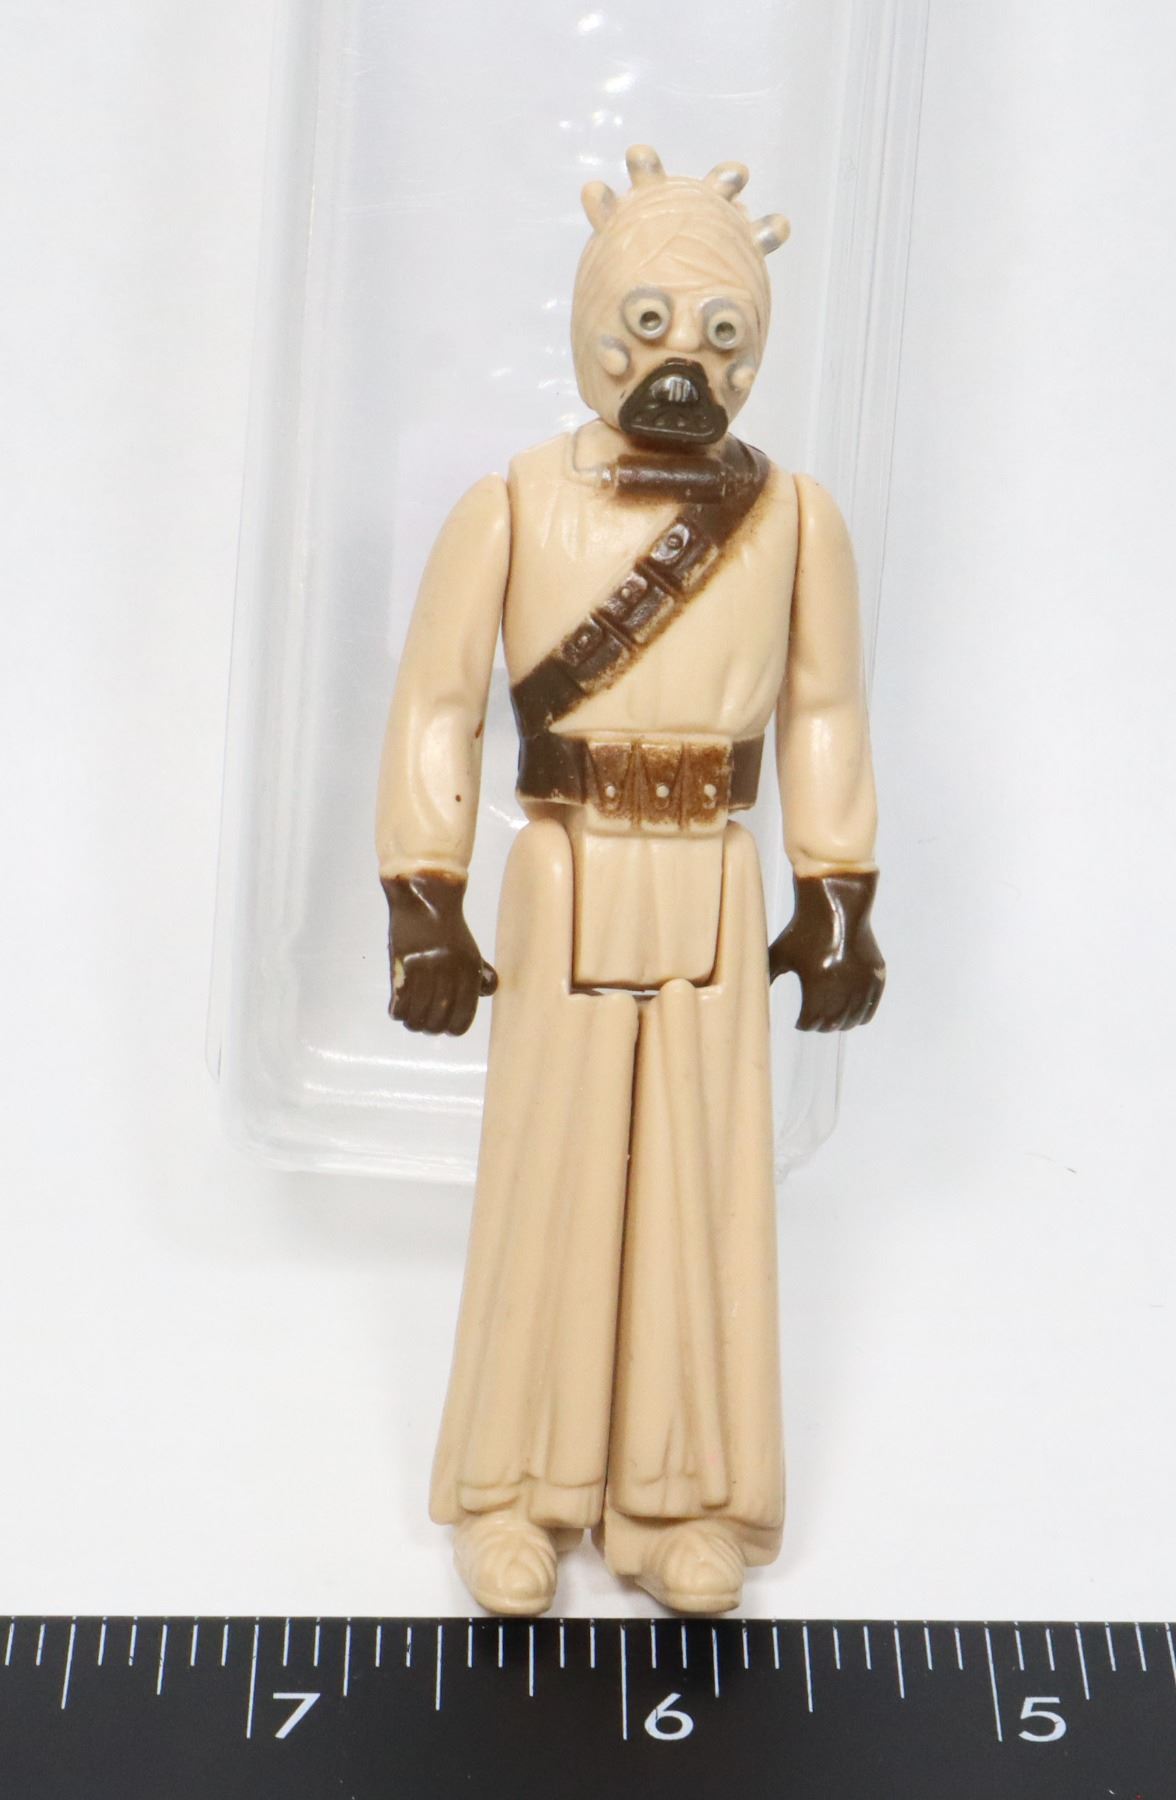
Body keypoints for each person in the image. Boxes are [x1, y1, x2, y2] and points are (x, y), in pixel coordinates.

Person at [376, 145, 884, 1615]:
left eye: (722, 335)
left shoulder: (795, 520)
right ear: (594, 319)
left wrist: (837, 889)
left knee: (702, 1186)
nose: (683, 363)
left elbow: (826, 709)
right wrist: (423, 897)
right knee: (548, 1172)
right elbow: (436, 708)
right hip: (565, 874)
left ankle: (684, 1499)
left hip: (714, 882)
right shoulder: (511, 506)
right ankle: (514, 1491)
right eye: (650, 324)